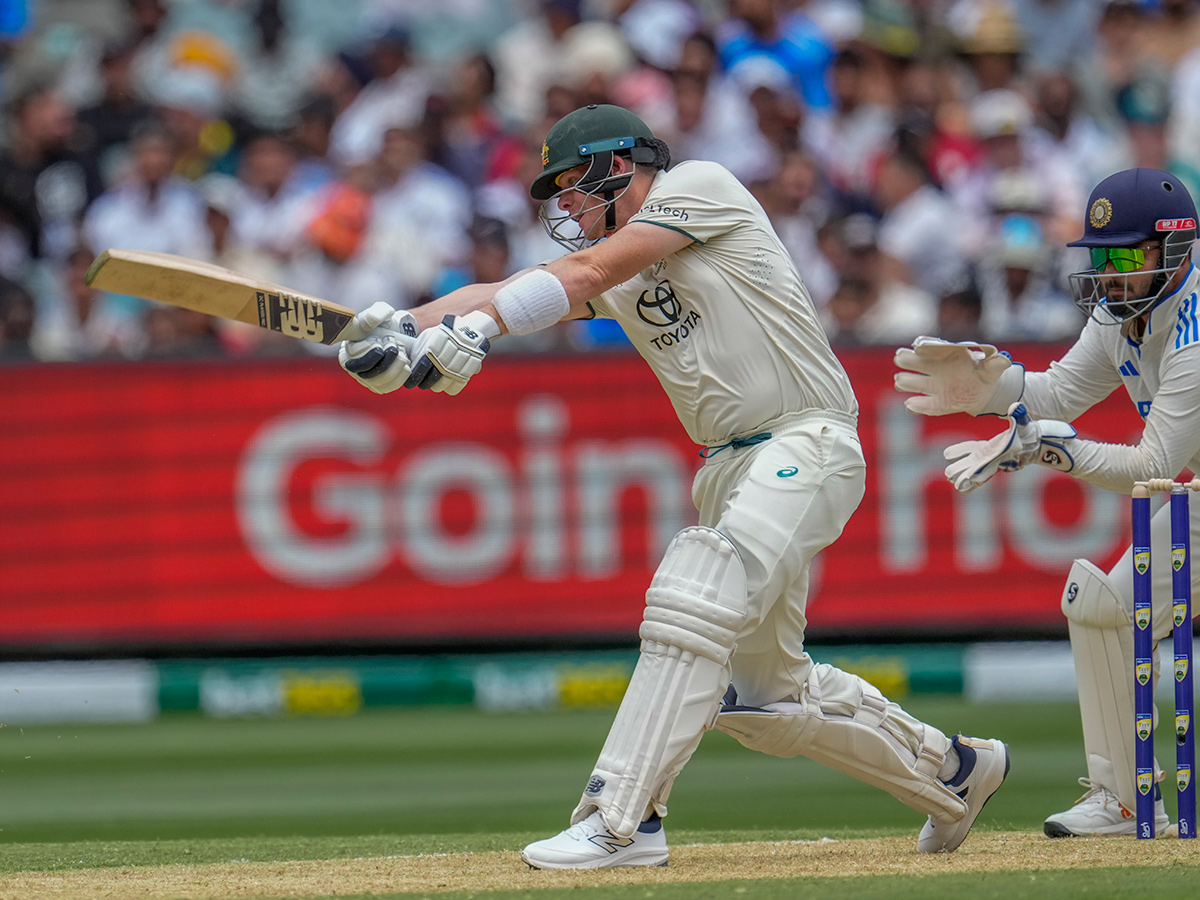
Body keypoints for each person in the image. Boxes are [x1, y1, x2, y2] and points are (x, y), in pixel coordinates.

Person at [336, 103, 1010, 867]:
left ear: (615, 166)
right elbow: (514, 286)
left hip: (807, 439)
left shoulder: (701, 185)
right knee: (767, 700)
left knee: (697, 587)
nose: (566, 210)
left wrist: (480, 333)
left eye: (571, 190)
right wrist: (402, 323)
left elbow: (580, 274)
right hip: (726, 467)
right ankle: (955, 771)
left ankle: (623, 819)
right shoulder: (614, 265)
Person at [894, 166, 1200, 837]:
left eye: (1125, 256)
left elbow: (1152, 466)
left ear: (1172, 248)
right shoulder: (1122, 313)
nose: (1110, 274)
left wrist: (1046, 448)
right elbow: (1057, 394)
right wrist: (993, 386)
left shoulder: (1194, 334)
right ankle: (1119, 803)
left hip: (1185, 483)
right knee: (1101, 607)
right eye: (1101, 258)